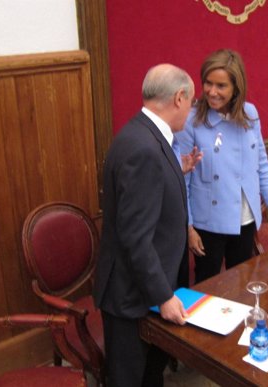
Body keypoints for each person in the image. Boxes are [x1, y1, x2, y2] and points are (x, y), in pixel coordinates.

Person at [93, 63, 197, 387]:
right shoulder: (143, 148)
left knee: (152, 375)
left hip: (148, 286)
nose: (190, 111)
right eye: (191, 103)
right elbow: (135, 237)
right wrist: (163, 296)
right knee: (129, 380)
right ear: (179, 98)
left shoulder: (143, 133)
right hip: (133, 296)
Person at [176, 49, 268, 284]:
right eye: (208, 83)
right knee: (208, 285)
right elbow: (183, 181)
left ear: (236, 88)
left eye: (221, 86)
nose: (212, 91)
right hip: (207, 222)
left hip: (245, 218)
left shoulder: (249, 113)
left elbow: (261, 164)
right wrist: (188, 228)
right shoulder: (191, 120)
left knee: (242, 282)